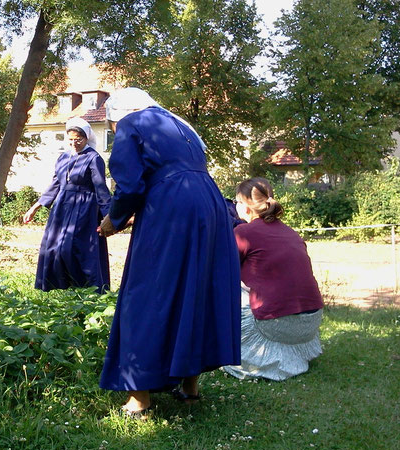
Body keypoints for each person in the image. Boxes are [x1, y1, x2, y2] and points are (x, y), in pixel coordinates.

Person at [97, 88, 241, 417]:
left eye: (111, 127)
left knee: (147, 291)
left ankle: (139, 399)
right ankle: (189, 387)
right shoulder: (181, 125)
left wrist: (113, 220)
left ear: (117, 115)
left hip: (174, 206)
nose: (115, 132)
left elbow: (131, 185)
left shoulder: (131, 122)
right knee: (195, 290)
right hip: (209, 203)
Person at [224, 177, 324, 381]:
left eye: (236, 203)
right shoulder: (291, 232)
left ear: (245, 207)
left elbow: (223, 272)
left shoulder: (243, 232)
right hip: (311, 322)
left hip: (276, 323)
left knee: (223, 291)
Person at [23, 117, 111, 293]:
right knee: (55, 247)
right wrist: (35, 207)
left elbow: (101, 188)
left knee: (77, 248)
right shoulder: (62, 158)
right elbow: (55, 184)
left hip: (85, 209)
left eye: (78, 139)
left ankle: (87, 289)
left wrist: (110, 215)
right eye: (71, 140)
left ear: (86, 138)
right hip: (62, 208)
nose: (74, 143)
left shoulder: (94, 158)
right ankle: (59, 286)